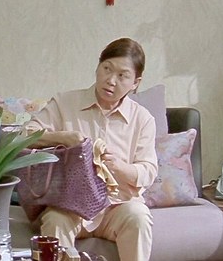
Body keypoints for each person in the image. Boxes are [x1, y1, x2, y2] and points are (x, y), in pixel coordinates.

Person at [25, 38, 158, 261]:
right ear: (98, 67)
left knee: (138, 217)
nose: (111, 80)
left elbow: (148, 171)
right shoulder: (64, 102)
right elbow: (25, 135)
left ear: (135, 82)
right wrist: (63, 137)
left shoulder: (143, 119)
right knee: (55, 221)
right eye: (107, 69)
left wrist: (119, 167)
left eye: (122, 76)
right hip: (69, 205)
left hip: (117, 206)